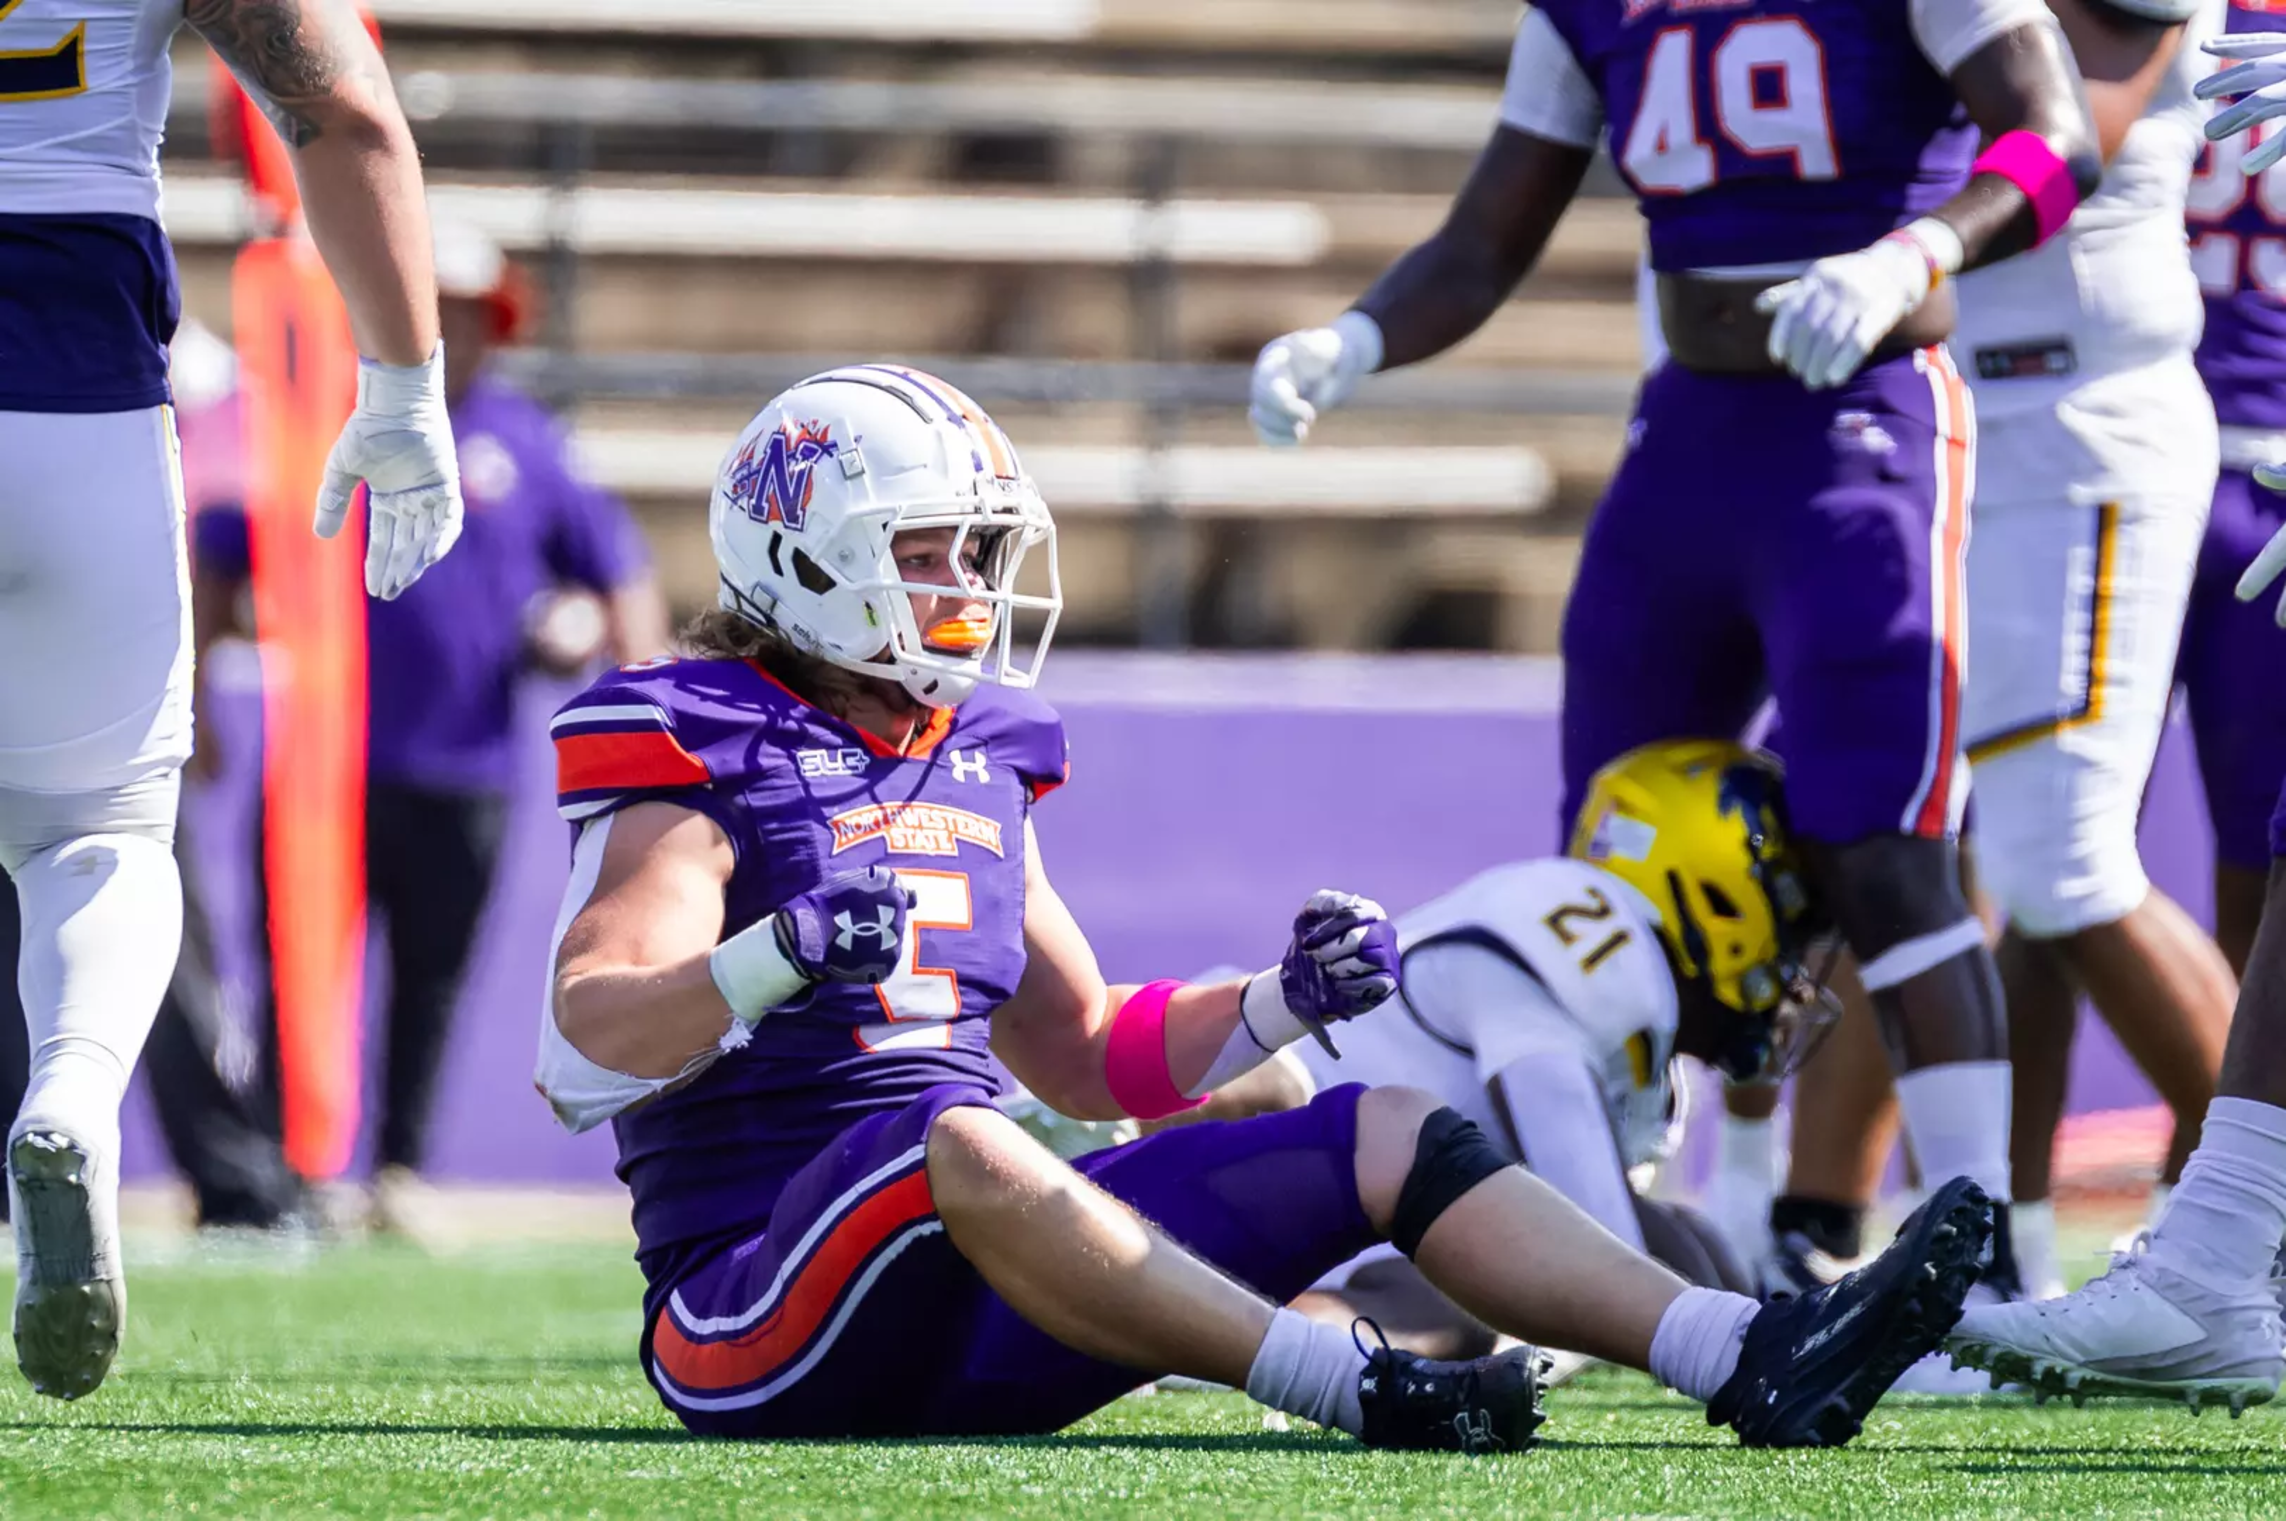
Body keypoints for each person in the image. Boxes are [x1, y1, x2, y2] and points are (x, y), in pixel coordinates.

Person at [536, 365, 1994, 1451]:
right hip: (756, 1311)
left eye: (977, 552)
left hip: (987, 1294)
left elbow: (1085, 1052)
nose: (966, 588)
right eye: (926, 551)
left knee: (1380, 1123)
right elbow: (589, 1035)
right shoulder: (704, 740)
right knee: (962, 1135)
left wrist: (1276, 1002)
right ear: (803, 552)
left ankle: (1746, 1350)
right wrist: (771, 957)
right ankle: (1351, 1384)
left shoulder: (976, 753)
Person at [1248, 0, 2107, 1305]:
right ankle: (1606, 1231)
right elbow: (1486, 238)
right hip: (1688, 437)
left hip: (1861, 430)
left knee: (1884, 853)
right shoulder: (1591, 10)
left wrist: (1912, 253)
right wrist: (1355, 336)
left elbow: (2055, 140)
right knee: (1606, 855)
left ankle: (1982, 1271)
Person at [0, 0, 462, 1400]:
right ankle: (74, 1092)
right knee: (98, 837)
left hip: (80, 348)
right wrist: (405, 383)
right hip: (72, 381)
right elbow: (345, 107)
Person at [189, 217, 669, 1234]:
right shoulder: (329, 425)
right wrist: (195, 695)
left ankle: (398, 1170)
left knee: (432, 981)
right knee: (297, 972)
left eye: (467, 312)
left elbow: (616, 575)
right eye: (433, 307)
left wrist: (634, 692)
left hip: (467, 767)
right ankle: (274, 1170)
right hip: (324, 765)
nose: (450, 329)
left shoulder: (528, 441)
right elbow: (223, 547)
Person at [1942, 25, 2286, 1411]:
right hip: (2135, 430)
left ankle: (2219, 1247)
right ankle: (2042, 1235)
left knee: (2196, 872)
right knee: (2046, 858)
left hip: (2190, 440)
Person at [1278, 740, 1827, 1358]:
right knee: (1463, 1307)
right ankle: (1250, 1343)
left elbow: (1633, 1243)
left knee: (1684, 1245)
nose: (1796, 975)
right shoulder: (1595, 962)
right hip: (1272, 1169)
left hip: (1335, 1185)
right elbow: (1606, 1260)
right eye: (1789, 925)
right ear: (1718, 897)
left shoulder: (1636, 1014)